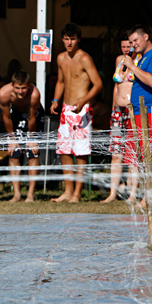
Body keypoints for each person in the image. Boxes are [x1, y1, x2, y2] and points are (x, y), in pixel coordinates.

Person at [50, 23, 102, 203]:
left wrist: (84, 101)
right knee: (64, 150)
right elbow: (61, 82)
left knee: (80, 152)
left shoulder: (84, 58)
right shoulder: (61, 58)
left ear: (78, 39)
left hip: (82, 110)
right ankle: (68, 191)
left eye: (72, 39)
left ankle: (77, 193)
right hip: (66, 109)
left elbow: (98, 83)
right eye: (66, 39)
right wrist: (55, 100)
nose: (69, 42)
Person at [101, 33, 140, 203]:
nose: (126, 49)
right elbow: (116, 88)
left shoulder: (140, 60)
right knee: (116, 154)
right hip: (118, 111)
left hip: (132, 110)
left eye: (129, 46)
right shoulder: (119, 60)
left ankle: (133, 193)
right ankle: (113, 192)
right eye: (124, 46)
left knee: (132, 154)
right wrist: (112, 110)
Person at [123, 24, 152, 170]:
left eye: (135, 40)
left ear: (146, 37)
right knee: (138, 159)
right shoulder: (142, 58)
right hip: (138, 111)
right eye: (131, 42)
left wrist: (132, 66)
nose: (133, 45)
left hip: (151, 112)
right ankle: (141, 192)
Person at [0, 70, 44, 202]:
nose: (20, 92)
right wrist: (12, 139)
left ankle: (30, 194)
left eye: (23, 88)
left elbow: (31, 118)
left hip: (33, 116)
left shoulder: (34, 94)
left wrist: (32, 138)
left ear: (29, 85)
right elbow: (6, 117)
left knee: (33, 152)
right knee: (14, 152)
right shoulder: (4, 93)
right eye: (17, 88)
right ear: (12, 85)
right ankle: (17, 194)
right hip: (15, 115)